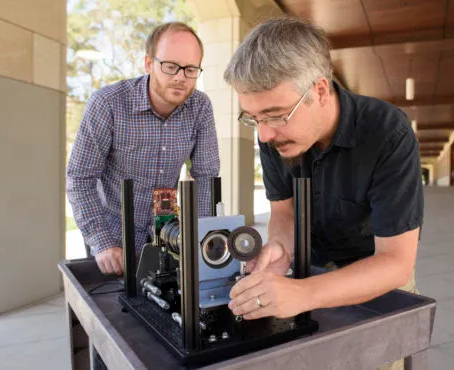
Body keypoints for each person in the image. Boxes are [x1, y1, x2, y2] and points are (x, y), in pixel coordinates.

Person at [223, 18, 423, 370]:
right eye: (253, 118)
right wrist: (280, 250)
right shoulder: (272, 135)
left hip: (374, 279)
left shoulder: (388, 133)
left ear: (318, 90)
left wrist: (302, 293)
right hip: (307, 273)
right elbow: (284, 214)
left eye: (274, 115)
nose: (265, 135)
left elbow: (395, 263)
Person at [67, 22, 220, 276]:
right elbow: (80, 178)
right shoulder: (107, 103)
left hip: (167, 231)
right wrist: (102, 242)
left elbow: (206, 177)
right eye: (170, 66)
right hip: (113, 235)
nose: (180, 77)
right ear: (149, 64)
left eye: (190, 69)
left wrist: (200, 237)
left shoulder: (200, 107)